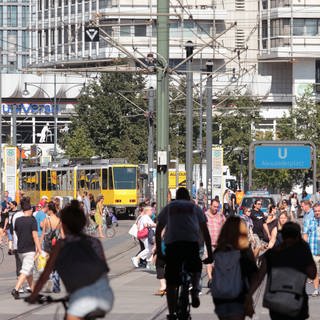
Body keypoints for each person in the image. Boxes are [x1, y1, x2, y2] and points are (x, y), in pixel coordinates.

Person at [27, 200, 114, 320]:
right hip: (104, 295)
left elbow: (46, 273)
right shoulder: (95, 242)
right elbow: (103, 268)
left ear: (65, 225)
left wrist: (34, 294)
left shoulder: (62, 244)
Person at [155, 187, 213, 320]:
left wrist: (159, 251)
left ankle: (171, 313)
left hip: (173, 246)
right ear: (188, 197)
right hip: (190, 245)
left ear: (177, 197)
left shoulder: (169, 207)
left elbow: (158, 231)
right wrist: (210, 254)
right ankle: (195, 292)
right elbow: (205, 232)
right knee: (196, 267)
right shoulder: (195, 208)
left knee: (171, 282)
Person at [249, 222, 317, 320]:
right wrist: (304, 247)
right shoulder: (302, 252)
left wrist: (248, 295)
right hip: (297, 300)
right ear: (298, 236)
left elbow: (258, 278)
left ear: (282, 235)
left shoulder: (271, 254)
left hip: (276, 301)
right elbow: (313, 274)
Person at [212, 216, 258, 320]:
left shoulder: (219, 250)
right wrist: (249, 294)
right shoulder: (245, 251)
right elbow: (254, 275)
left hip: (220, 296)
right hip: (238, 296)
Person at [11, 197, 41, 299]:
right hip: (30, 249)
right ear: (30, 210)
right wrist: (39, 248)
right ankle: (16, 289)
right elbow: (35, 236)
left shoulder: (18, 220)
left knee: (29, 271)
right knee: (25, 270)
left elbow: (16, 232)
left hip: (20, 249)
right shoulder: (32, 221)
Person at [205, 198, 226, 287]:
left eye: (217, 207)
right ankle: (210, 279)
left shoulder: (220, 216)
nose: (215, 209)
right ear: (210, 206)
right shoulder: (205, 215)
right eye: (214, 207)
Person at [303, 203, 320, 296]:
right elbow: (305, 235)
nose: (317, 213)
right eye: (315, 211)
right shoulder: (309, 221)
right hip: (313, 250)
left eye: (319, 211)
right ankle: (316, 289)